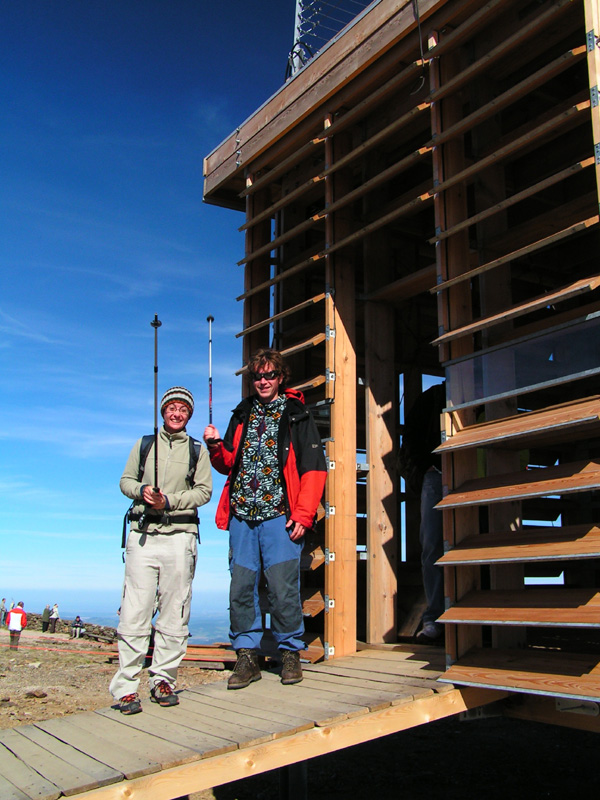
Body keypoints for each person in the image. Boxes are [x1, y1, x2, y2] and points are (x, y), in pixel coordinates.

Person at [204, 348, 327, 689]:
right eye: (258, 375)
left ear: (280, 377)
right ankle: (247, 657)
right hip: (242, 515)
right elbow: (228, 463)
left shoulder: (296, 414)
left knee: (283, 588)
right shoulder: (241, 413)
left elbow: (315, 470)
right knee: (241, 587)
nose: (263, 381)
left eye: (270, 375)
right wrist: (216, 447)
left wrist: (304, 514)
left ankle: (290, 654)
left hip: (280, 515)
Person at [110, 386, 212, 715]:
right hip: (143, 534)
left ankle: (163, 678)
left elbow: (204, 492)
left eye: (183, 409)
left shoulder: (198, 450)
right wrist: (142, 492)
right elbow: (125, 481)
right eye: (172, 407)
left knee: (175, 610)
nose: (177, 413)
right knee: (134, 610)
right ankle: (126, 687)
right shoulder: (144, 445)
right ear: (163, 410)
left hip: (181, 535)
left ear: (189, 415)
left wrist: (170, 501)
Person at [399, 382, 446, 643]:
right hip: (437, 478)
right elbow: (411, 442)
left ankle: (479, 617)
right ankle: (436, 620)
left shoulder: (491, 393)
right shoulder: (432, 398)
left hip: (481, 477)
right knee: (433, 549)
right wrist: (426, 470)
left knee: (475, 549)